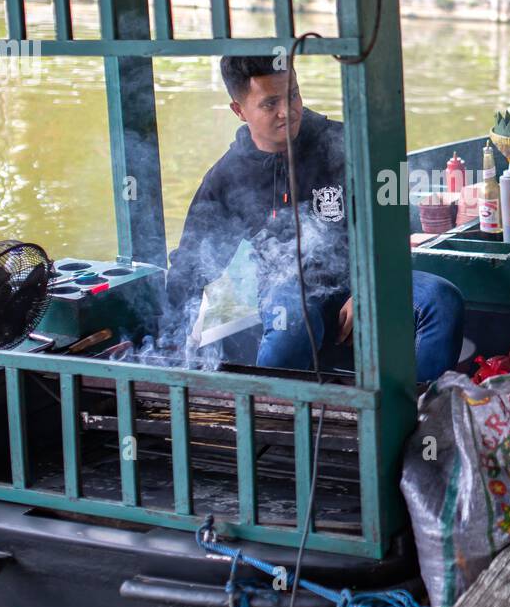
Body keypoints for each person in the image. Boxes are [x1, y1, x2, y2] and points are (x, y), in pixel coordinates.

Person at [165, 55, 465, 381]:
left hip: (364, 278)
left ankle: (415, 417)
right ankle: (269, 422)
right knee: (290, 323)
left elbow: (394, 224)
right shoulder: (226, 177)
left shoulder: (346, 144)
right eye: (270, 104)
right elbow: (191, 264)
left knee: (440, 299)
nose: (288, 110)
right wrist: (170, 337)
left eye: (292, 94)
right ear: (239, 110)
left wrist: (371, 286)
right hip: (286, 290)